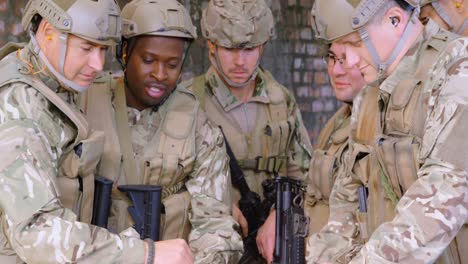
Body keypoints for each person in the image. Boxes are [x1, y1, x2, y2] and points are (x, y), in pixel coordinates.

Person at [0, 0, 182, 263]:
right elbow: (35, 232)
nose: (97, 64)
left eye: (102, 50)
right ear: (49, 32)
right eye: (86, 48)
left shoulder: (47, 81)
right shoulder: (19, 108)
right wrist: (144, 254)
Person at [81, 0, 243, 263]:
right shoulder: (84, 104)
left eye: (172, 64)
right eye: (148, 60)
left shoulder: (196, 125)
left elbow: (215, 226)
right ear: (124, 52)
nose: (160, 74)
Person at [307, 0, 467, 263]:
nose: (348, 62)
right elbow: (347, 207)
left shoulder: (457, 66)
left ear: (395, 19)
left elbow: (446, 192)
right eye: (340, 49)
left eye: (355, 44)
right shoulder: (369, 94)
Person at [183, 0, 312, 262]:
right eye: (230, 49)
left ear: (263, 46)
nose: (240, 61)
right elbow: (165, 185)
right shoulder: (187, 102)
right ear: (211, 46)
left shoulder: (281, 100)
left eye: (250, 49)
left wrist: (282, 214)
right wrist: (213, 207)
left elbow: (306, 177)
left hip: (271, 247)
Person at [304, 37, 366, 234]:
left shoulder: (377, 126)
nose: (336, 71)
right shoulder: (337, 122)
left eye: (346, 59)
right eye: (332, 58)